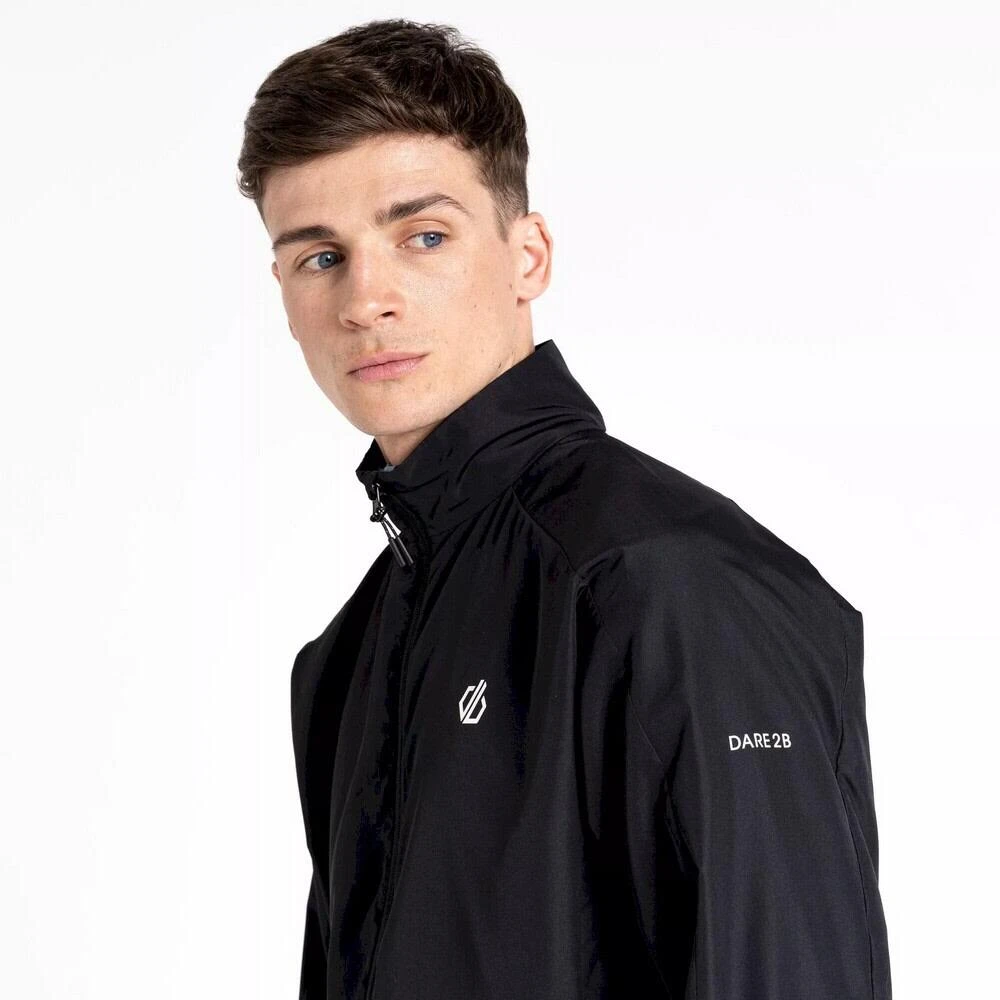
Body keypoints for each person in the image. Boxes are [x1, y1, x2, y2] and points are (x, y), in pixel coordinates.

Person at [237, 18, 892, 1000]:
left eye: (423, 236)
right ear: (283, 292)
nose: (366, 299)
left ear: (528, 257)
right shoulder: (346, 655)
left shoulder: (672, 584)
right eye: (320, 257)